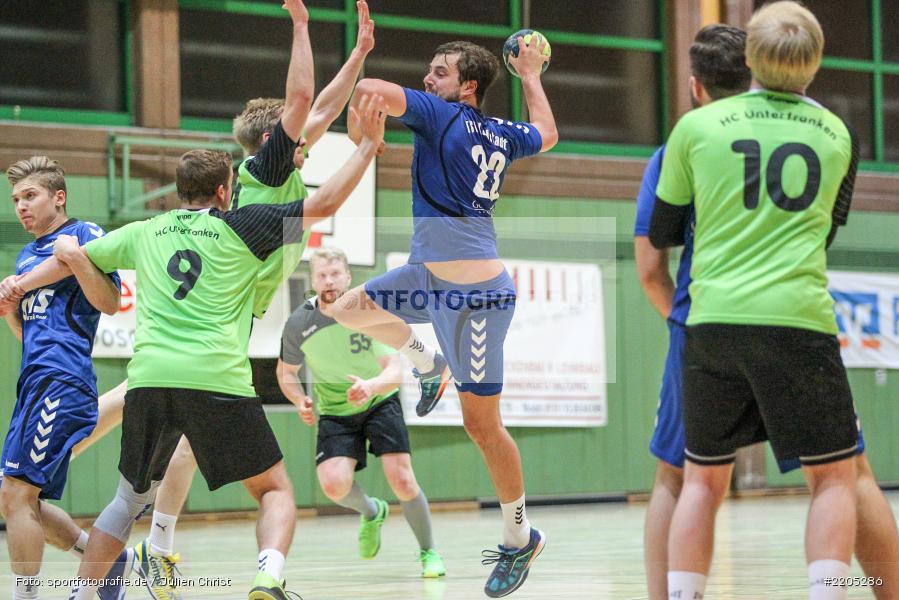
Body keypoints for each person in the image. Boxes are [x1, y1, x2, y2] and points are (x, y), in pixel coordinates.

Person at [2, 92, 387, 600]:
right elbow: (326, 200)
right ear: (228, 191)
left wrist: (20, 284)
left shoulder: (145, 230)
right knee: (274, 490)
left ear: (177, 191)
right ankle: (267, 577)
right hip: (216, 378)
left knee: (123, 500)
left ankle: (85, 593)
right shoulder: (242, 228)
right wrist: (367, 147)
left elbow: (72, 259)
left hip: (150, 380)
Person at [636, 23, 899, 600]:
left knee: (696, 481)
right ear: (816, 59)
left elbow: (658, 239)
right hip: (795, 319)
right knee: (839, 476)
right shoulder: (838, 132)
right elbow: (825, 231)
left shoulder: (694, 129)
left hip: (707, 322)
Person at [330, 37, 558, 598]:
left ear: (468, 86)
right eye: (428, 72)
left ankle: (518, 535)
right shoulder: (502, 132)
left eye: (439, 72)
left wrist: (367, 116)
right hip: (429, 277)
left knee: (483, 427)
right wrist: (530, 76)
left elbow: (369, 89)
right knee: (349, 306)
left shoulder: (442, 114)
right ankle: (427, 365)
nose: (428, 80)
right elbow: (548, 134)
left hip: (473, 300)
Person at [0, 156, 126, 600]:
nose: (21, 206)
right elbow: (28, 333)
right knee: (14, 495)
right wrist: (10, 309)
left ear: (59, 197)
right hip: (32, 380)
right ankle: (102, 556)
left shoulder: (84, 234)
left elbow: (109, 302)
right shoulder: (24, 256)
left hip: (63, 379)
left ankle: (26, 595)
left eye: (29, 196)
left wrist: (22, 284)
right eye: (15, 199)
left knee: (17, 494)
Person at [278, 247, 446, 577]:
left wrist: (370, 386)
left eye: (335, 274)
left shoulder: (365, 312)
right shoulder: (299, 323)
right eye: (322, 275)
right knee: (334, 486)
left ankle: (429, 551)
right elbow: (285, 374)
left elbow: (394, 373)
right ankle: (371, 512)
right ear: (313, 280)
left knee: (402, 479)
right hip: (335, 411)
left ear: (348, 277)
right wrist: (299, 400)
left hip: (378, 402)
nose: (329, 281)